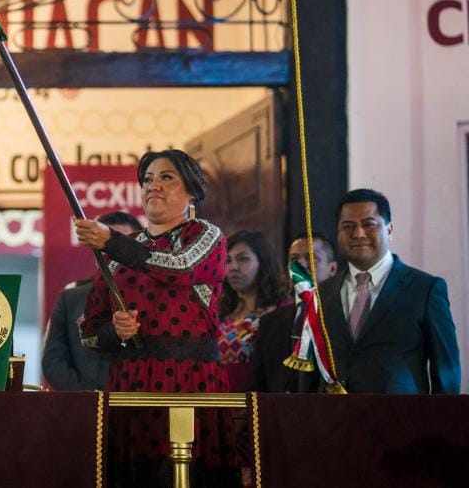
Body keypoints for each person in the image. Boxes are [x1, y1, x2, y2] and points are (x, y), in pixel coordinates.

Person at [75, 149, 233, 484]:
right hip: (129, 387)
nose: (153, 186)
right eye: (147, 179)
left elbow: (180, 267)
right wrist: (114, 331)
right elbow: (89, 332)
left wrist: (110, 240)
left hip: (190, 384)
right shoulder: (117, 251)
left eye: (166, 177)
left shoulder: (205, 235)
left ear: (191, 190)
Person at [318, 189, 460, 393]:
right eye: (348, 226)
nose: (358, 233)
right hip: (330, 418)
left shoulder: (425, 289)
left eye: (369, 224)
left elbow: (447, 371)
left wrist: (442, 422)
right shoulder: (322, 293)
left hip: (400, 419)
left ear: (390, 230)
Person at [42, 212, 141, 391]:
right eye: (104, 246)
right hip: (83, 409)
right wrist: (86, 398)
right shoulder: (70, 298)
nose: (112, 253)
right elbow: (53, 362)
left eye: (120, 245)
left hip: (137, 406)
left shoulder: (154, 296)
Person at [247, 234, 338, 392]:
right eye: (294, 259)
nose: (301, 264)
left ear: (332, 269)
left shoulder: (343, 317)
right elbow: (257, 385)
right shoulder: (270, 323)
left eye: (311, 258)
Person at [217, 230, 290, 392]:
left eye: (243, 259)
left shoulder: (280, 311)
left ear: (263, 263)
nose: (233, 267)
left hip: (258, 404)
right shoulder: (220, 312)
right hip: (218, 402)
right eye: (228, 260)